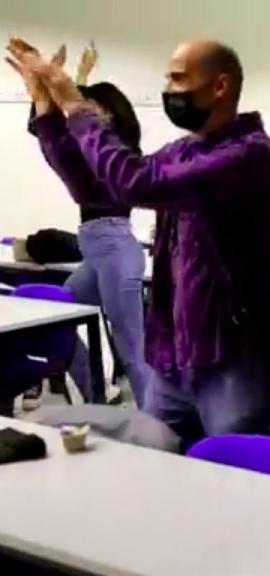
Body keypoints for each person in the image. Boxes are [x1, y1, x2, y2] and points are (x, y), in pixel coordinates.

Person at [7, 38, 270, 441]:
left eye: (178, 78)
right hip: (174, 358)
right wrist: (46, 110)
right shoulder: (184, 150)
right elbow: (96, 187)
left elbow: (138, 182)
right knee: (158, 472)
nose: (168, 90)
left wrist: (75, 103)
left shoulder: (247, 155)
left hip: (229, 357)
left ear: (220, 86)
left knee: (228, 485)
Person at [13, 42, 153, 407]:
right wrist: (49, 88)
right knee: (54, 318)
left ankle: (160, 429)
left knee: (131, 347)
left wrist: (51, 90)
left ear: (109, 115)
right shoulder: (94, 149)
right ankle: (95, 396)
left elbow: (59, 145)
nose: (78, 112)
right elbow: (55, 139)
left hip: (116, 250)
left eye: (89, 107)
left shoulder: (115, 155)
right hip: (97, 254)